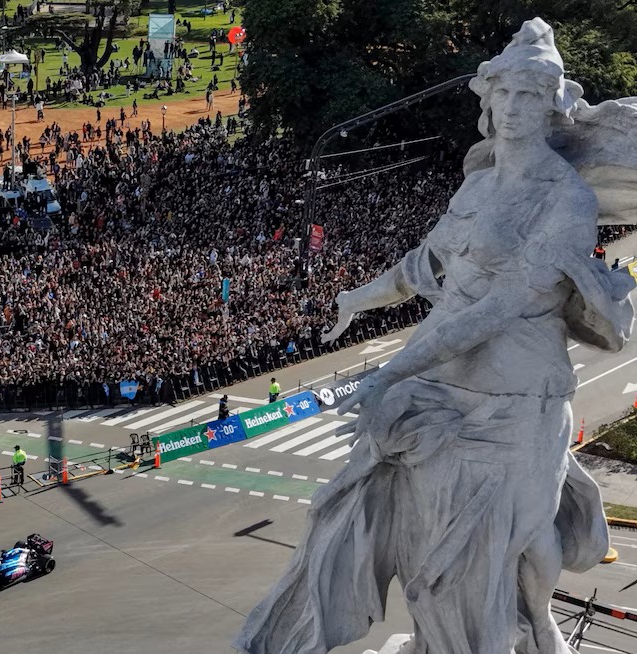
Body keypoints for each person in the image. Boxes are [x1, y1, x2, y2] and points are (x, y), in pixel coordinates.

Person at [236, 19, 637, 654]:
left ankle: (537, 625)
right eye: (504, 93)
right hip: (444, 386)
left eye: (532, 95)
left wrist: (393, 370)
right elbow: (424, 265)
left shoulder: (566, 198)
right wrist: (356, 298)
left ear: (555, 104)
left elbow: (503, 306)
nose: (514, 108)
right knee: (406, 540)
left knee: (513, 535)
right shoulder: (478, 183)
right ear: (487, 101)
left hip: (517, 397)